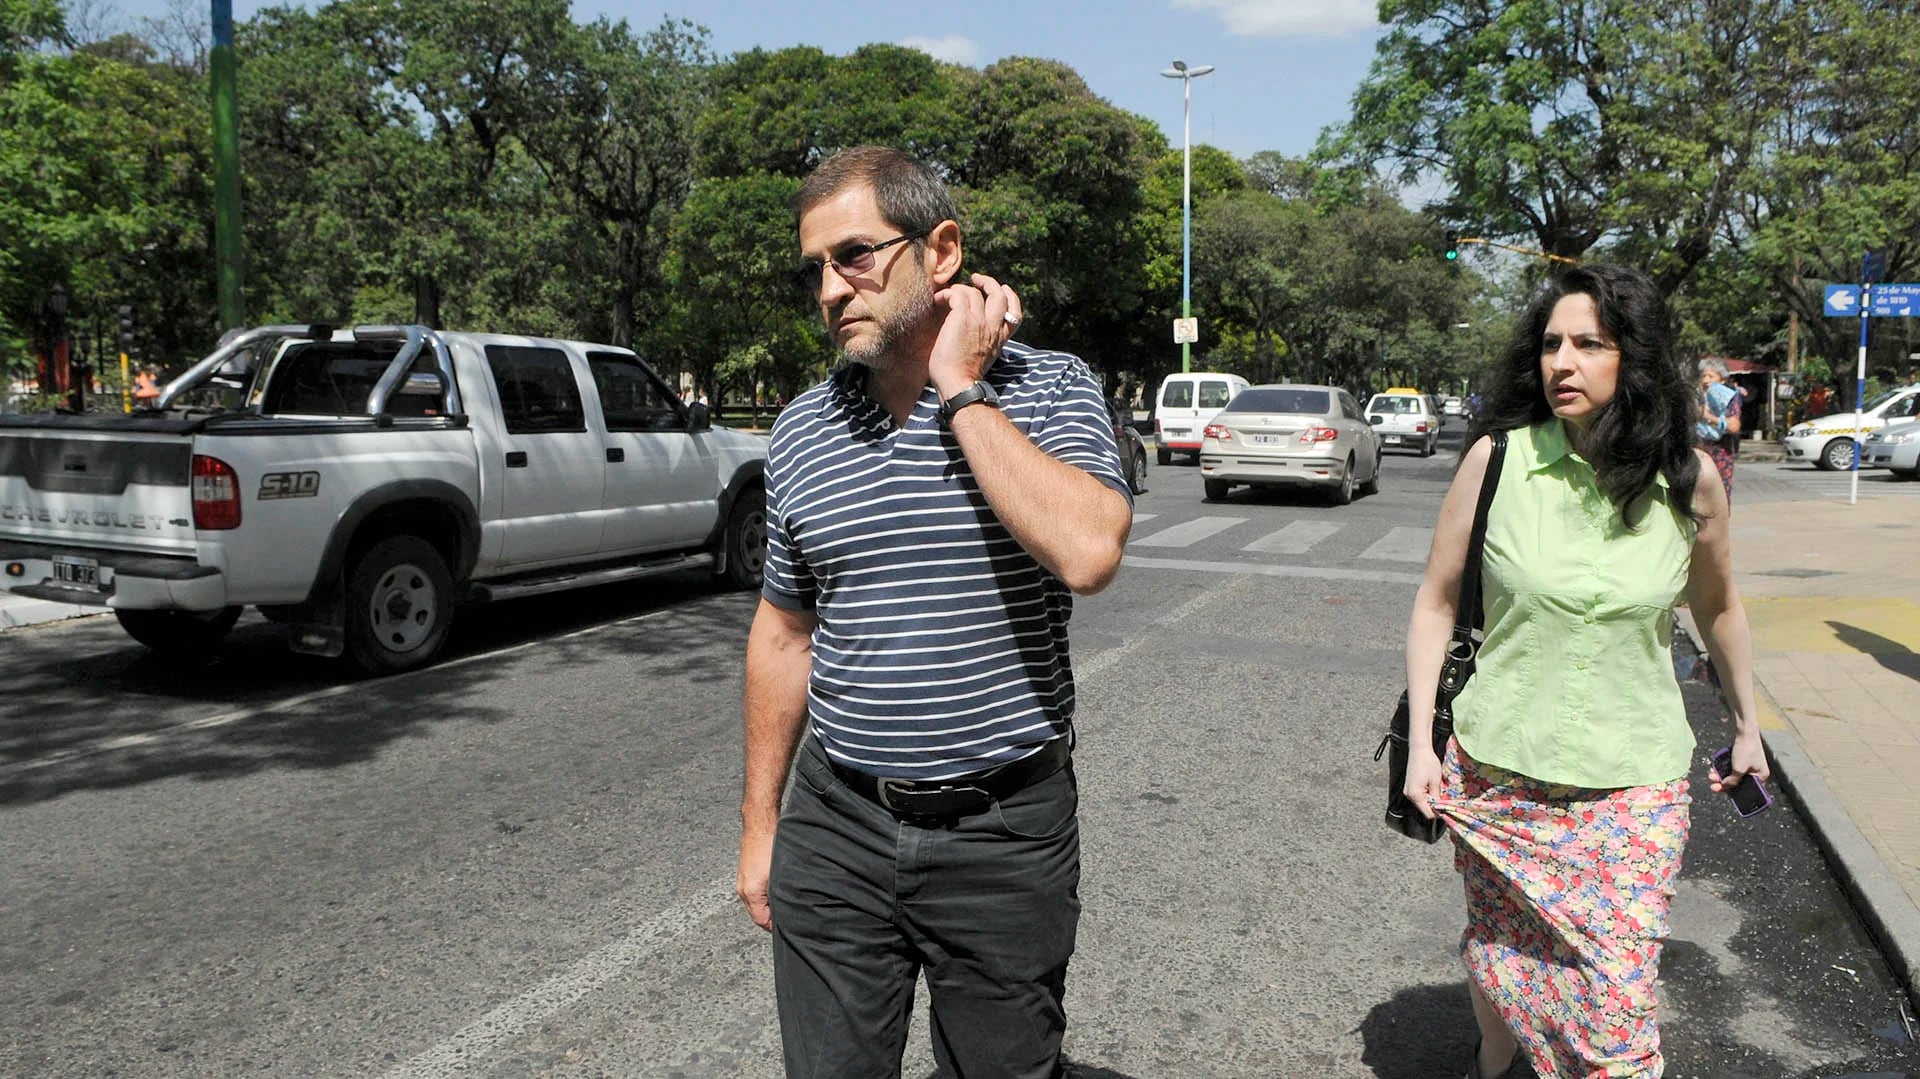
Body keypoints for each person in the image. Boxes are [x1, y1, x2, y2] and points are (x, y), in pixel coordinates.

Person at [736, 145, 1132, 1078]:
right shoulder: (801, 429)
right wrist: (762, 828)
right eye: (817, 269)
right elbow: (784, 634)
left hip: (1001, 832)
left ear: (941, 250)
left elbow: (1088, 552)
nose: (832, 289)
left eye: (856, 255)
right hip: (837, 826)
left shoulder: (1052, 388)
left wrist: (962, 386)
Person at [1401, 265, 1768, 1079]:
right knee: (1502, 950)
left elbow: (1719, 609)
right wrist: (1425, 745)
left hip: (1630, 784)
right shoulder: (1497, 463)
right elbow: (1435, 602)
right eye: (1551, 344)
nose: (1561, 362)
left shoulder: (1690, 482)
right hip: (1499, 771)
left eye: (1588, 344)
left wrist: (1748, 725)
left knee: (1617, 1001)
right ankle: (1494, 1063)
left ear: (1632, 360)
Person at [1695, 357, 1740, 499]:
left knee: (1719, 497)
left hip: (1721, 452)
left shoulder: (1729, 398)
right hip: (1698, 450)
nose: (1706, 380)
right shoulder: (1696, 397)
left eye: (1711, 376)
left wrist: (1708, 416)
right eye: (1703, 376)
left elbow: (1734, 426)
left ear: (1722, 380)